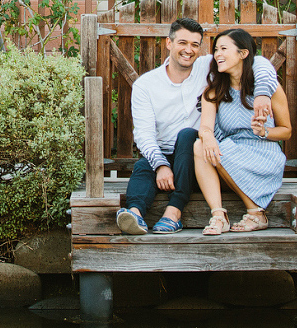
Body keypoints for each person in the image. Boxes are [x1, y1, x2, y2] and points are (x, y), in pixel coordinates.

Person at [115, 17, 281, 235]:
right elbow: (144, 135)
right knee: (144, 167)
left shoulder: (208, 67)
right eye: (182, 43)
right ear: (169, 43)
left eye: (195, 44)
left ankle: (173, 214)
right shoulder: (146, 84)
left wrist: (262, 94)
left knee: (187, 136)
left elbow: (257, 62)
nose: (189, 50)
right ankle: (134, 214)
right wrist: (161, 166)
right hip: (164, 153)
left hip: (196, 155)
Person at [193, 27, 292, 234]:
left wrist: (265, 131)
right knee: (199, 144)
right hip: (228, 158)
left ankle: (256, 213)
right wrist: (208, 136)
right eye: (216, 49)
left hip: (264, 155)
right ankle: (219, 216)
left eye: (224, 49)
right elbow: (205, 127)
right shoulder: (213, 91)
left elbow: (286, 131)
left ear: (243, 53)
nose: (217, 54)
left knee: (221, 149)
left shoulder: (267, 88)